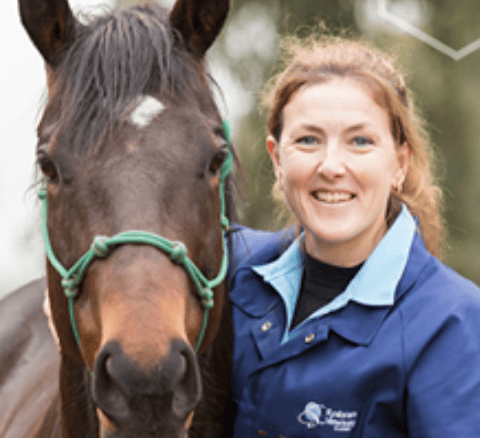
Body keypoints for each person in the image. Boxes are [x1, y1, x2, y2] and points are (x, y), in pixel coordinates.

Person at [227, 35, 480, 437]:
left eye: (360, 141)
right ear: (277, 159)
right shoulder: (233, 272)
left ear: (399, 164)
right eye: (308, 140)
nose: (331, 166)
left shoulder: (452, 321)